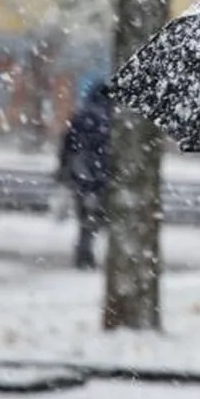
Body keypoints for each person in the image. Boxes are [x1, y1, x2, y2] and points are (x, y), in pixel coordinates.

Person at [56, 81, 111, 270]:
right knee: (99, 217)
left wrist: (64, 171)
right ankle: (91, 251)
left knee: (85, 218)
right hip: (104, 177)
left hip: (81, 175)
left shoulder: (80, 116)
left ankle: (84, 253)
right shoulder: (111, 119)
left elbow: (67, 146)